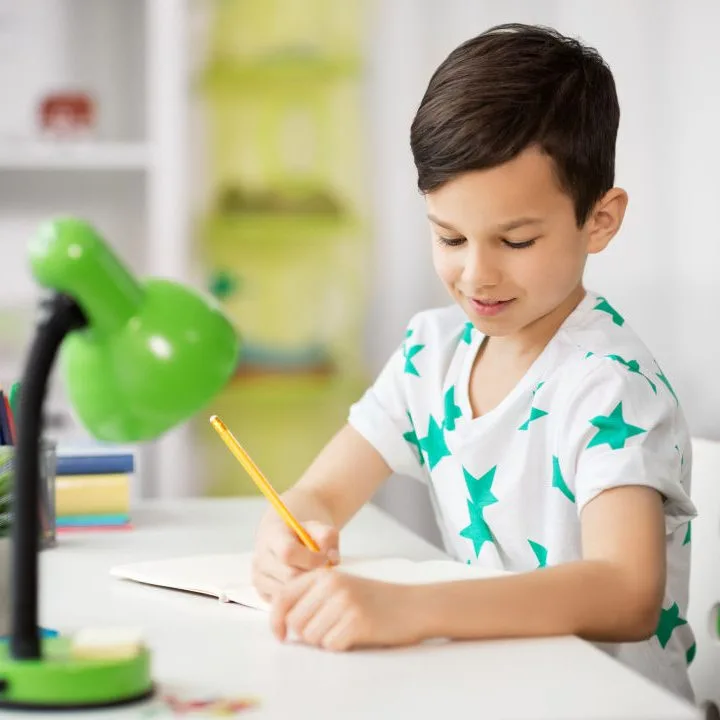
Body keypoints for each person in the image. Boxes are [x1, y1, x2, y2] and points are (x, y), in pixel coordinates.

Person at [251, 23, 697, 700]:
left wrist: (409, 609)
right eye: (449, 236)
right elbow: (320, 494)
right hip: (491, 690)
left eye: (515, 240)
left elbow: (627, 591)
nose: (476, 274)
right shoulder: (429, 355)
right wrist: (291, 534)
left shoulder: (610, 388)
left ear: (599, 220)